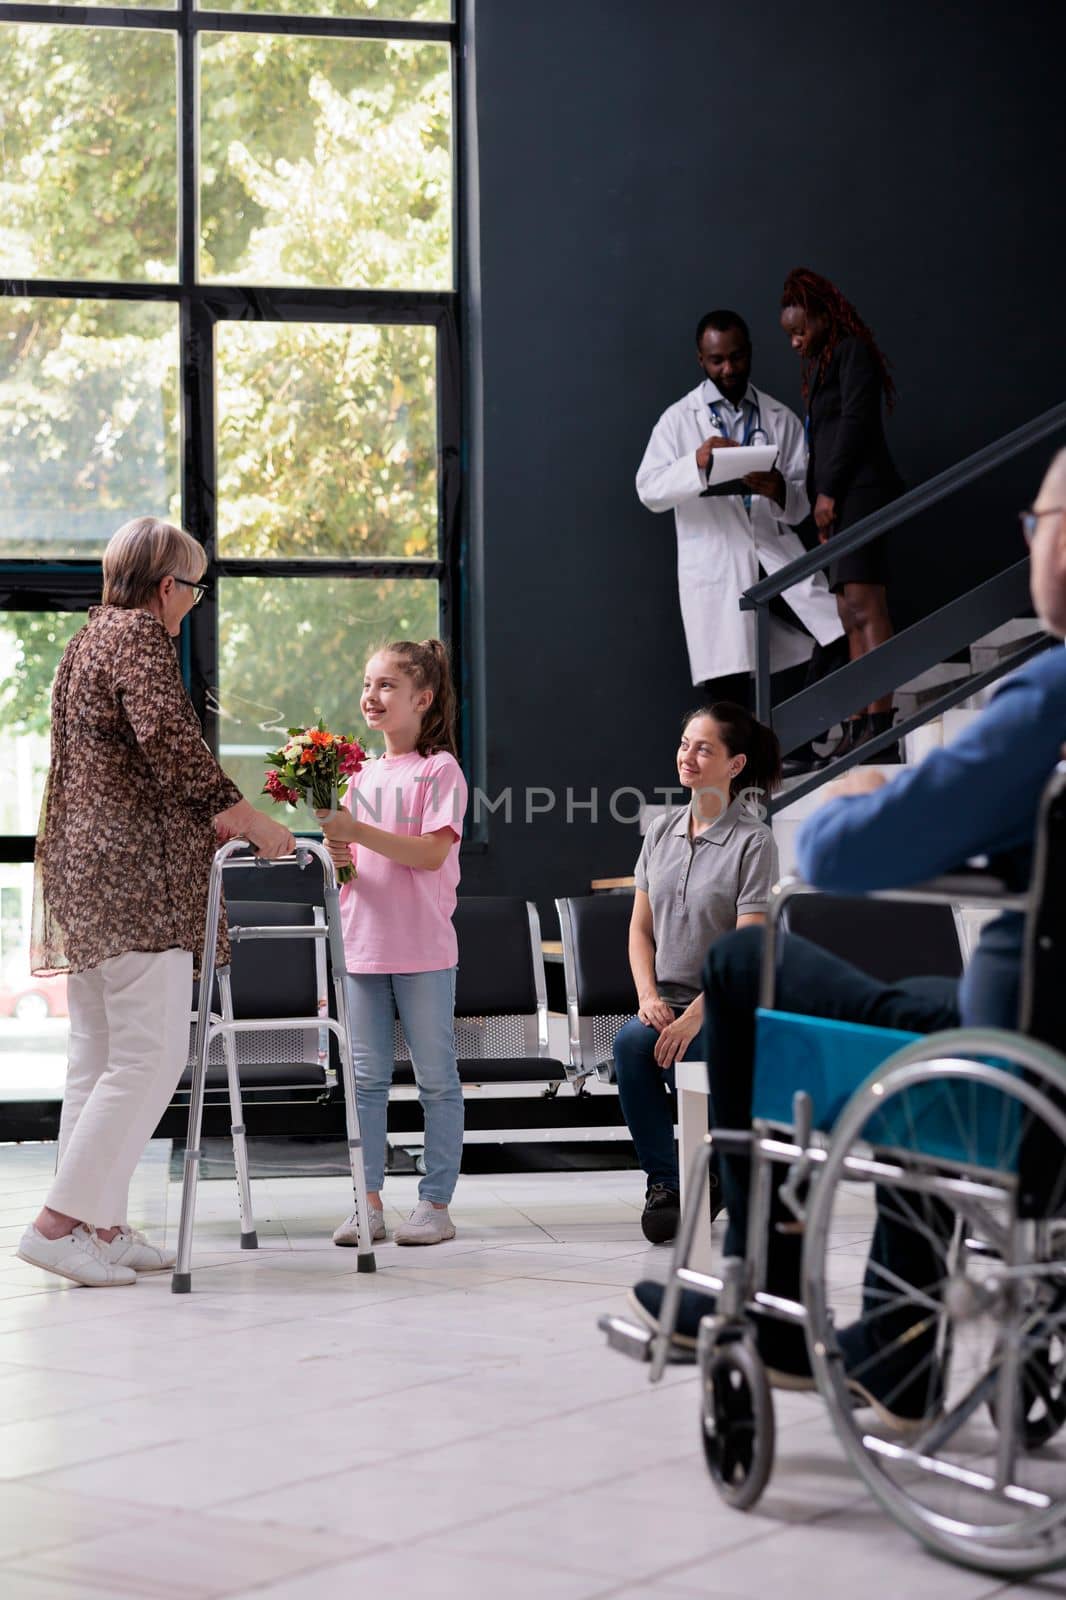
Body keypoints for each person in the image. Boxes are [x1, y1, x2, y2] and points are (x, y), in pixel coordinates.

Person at [629, 450, 1066, 1424]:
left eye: (1036, 523)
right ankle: (895, 1347)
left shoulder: (1051, 694)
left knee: (747, 963)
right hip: (1006, 1043)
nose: (1031, 543)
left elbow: (841, 854)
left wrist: (864, 794)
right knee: (917, 1021)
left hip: (1007, 1072)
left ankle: (763, 1294)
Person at [17, 517, 295, 1288]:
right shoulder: (138, 640)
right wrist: (247, 819)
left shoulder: (85, 641)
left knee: (99, 1058)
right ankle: (56, 1227)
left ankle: (98, 1226)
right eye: (194, 591)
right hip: (137, 878)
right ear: (168, 587)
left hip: (86, 873)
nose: (191, 606)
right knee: (149, 1055)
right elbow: (173, 747)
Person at [635, 309, 844, 773]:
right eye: (716, 361)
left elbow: (799, 506)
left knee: (834, 631)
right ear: (701, 360)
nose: (728, 369)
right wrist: (698, 462)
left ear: (749, 353)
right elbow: (648, 490)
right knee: (728, 681)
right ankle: (744, 775)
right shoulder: (678, 422)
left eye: (736, 357)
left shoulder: (779, 418)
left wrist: (777, 489)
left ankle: (798, 744)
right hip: (715, 562)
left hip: (773, 552)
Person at [318, 639, 468, 1248]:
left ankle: (435, 1204)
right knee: (366, 1081)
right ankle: (369, 1201)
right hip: (362, 947)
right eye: (367, 683)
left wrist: (357, 832)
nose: (370, 697)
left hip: (424, 950)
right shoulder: (358, 775)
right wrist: (338, 853)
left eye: (386, 686)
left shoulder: (440, 771)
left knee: (436, 1079)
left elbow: (432, 854)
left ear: (422, 699)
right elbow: (353, 867)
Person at [613, 703, 780, 1245]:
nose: (688, 756)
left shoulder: (754, 842)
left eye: (704, 748)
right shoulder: (659, 831)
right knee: (632, 1044)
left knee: (697, 1051)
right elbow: (641, 930)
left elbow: (746, 948)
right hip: (666, 999)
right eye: (686, 743)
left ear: (735, 765)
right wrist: (648, 997)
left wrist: (692, 1017)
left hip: (726, 1003)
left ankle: (713, 1170)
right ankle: (666, 1182)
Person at [780, 268, 904, 764]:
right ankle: (858, 723)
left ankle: (881, 728)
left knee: (866, 605)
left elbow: (856, 424)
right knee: (846, 612)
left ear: (823, 317)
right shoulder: (825, 363)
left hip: (860, 492)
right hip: (838, 500)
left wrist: (828, 492)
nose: (794, 342)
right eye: (789, 334)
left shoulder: (852, 351)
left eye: (800, 330)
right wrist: (822, 499)